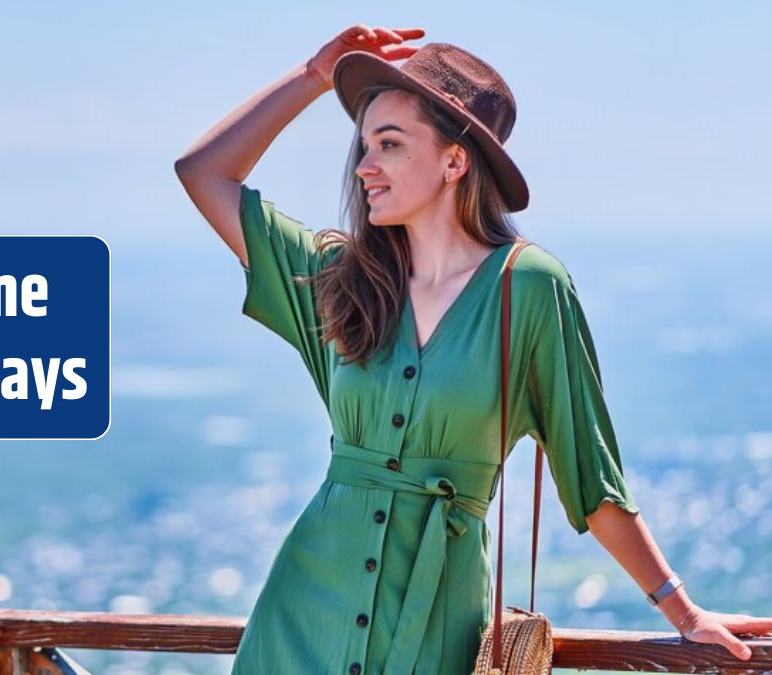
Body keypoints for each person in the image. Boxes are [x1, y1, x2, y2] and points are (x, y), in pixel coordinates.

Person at [174, 23, 772, 675]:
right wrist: (315, 76)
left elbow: (592, 477)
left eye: (391, 144)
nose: (365, 166)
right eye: (364, 145)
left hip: (437, 625)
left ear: (455, 160)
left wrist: (683, 613)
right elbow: (203, 172)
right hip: (300, 621)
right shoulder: (339, 280)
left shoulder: (529, 289)